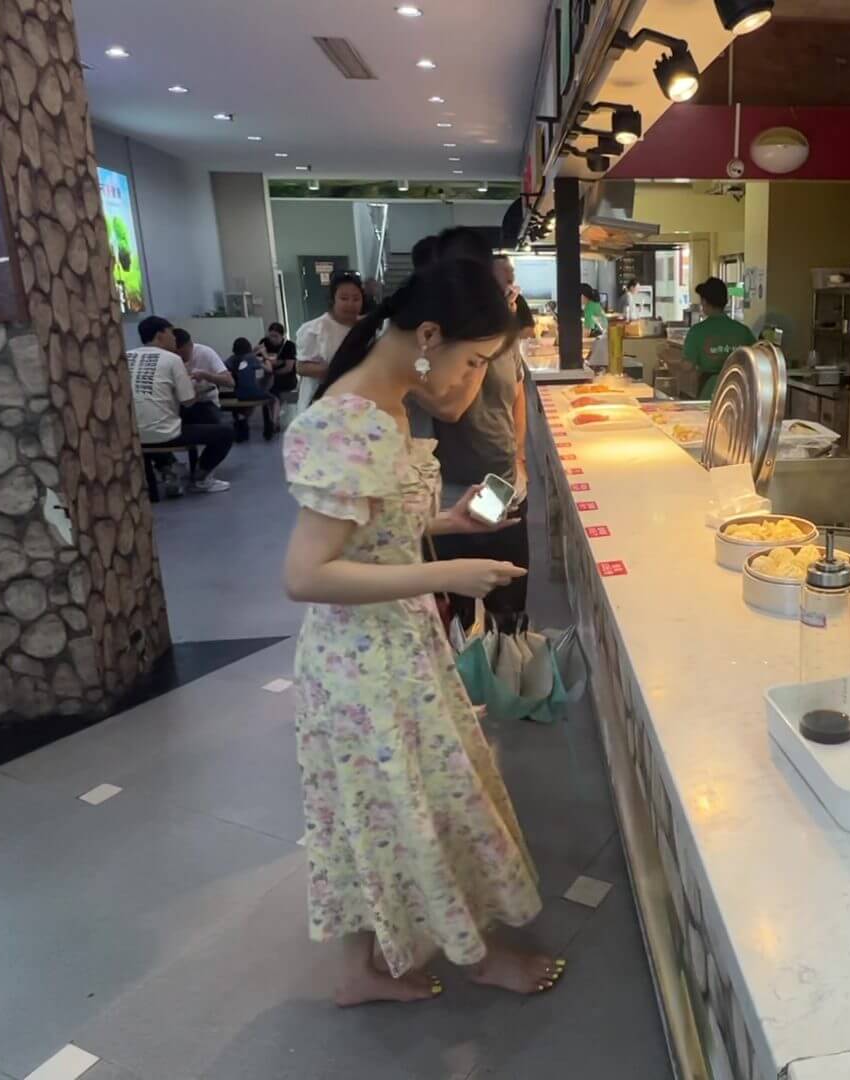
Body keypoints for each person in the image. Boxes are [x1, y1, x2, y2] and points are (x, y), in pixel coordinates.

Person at [279, 257, 563, 1006]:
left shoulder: (385, 405)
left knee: (379, 809)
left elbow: (369, 533)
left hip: (390, 648)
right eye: (475, 362)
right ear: (431, 336)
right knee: (420, 803)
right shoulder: (353, 420)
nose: (475, 380)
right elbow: (306, 574)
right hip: (365, 663)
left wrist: (444, 524)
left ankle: (362, 971)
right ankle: (475, 956)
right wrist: (445, 572)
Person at [431, 244, 533, 629]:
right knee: (457, 613)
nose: (510, 291)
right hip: (453, 492)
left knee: (509, 603)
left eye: (511, 282)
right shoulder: (439, 344)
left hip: (503, 485)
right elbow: (450, 408)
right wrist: (484, 345)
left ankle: (506, 657)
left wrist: (518, 455)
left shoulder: (506, 341)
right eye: (500, 284)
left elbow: (517, 394)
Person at [128, 316, 232, 494]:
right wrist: (200, 388)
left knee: (152, 422)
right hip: (165, 433)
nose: (174, 338)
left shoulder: (127, 356)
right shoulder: (171, 359)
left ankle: (168, 468)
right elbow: (188, 401)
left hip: (133, 433)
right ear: (160, 335)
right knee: (225, 432)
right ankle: (200, 479)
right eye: (171, 333)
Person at [294, 273, 367, 411]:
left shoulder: (368, 328)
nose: (350, 304)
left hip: (356, 403)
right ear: (333, 299)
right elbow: (301, 367)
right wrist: (339, 369)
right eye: (344, 298)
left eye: (356, 299)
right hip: (321, 405)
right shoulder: (315, 329)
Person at [679, 276, 757, 397]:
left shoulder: (697, 331)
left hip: (709, 391)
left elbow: (687, 366)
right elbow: (756, 359)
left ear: (704, 302)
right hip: (738, 392)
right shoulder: (743, 331)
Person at [172, 327, 235, 426]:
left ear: (190, 345)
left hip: (206, 402)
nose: (180, 357)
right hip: (181, 404)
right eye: (176, 354)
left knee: (215, 426)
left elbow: (230, 382)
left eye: (182, 354)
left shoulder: (205, 352)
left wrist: (206, 375)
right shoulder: (169, 357)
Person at [226, 336, 279, 442]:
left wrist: (254, 352)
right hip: (253, 392)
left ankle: (242, 423)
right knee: (274, 400)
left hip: (239, 394)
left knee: (249, 402)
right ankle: (273, 424)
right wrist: (265, 356)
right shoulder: (251, 358)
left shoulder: (231, 359)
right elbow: (269, 370)